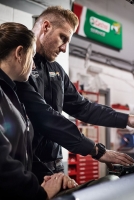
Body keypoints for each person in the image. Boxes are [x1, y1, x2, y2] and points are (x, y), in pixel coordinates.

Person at [15, 6, 134, 184]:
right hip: (28, 167)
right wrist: (98, 151)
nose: (64, 48)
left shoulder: (57, 71)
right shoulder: (19, 66)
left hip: (56, 165)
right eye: (63, 38)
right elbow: (46, 118)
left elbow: (83, 107)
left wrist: (127, 119)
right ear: (46, 27)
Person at [0, 22, 73, 200]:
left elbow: (22, 153)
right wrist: (38, 192)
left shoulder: (12, 94)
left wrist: (47, 177)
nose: (33, 66)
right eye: (31, 56)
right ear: (19, 53)